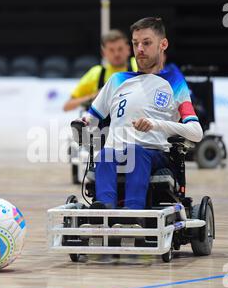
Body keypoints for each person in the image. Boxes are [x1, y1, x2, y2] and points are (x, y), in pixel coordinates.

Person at [76, 17, 203, 210]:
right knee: (105, 154)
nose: (140, 49)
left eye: (146, 43)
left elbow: (196, 132)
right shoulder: (117, 80)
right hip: (116, 151)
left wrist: (156, 124)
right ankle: (103, 212)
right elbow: (92, 120)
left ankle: (133, 212)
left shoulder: (174, 83)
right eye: (136, 44)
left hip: (153, 153)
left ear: (163, 44)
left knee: (135, 152)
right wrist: (83, 123)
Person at [63, 29, 137, 113]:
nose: (116, 54)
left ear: (128, 49)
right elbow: (67, 106)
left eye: (120, 49)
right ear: (104, 53)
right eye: (111, 50)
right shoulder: (96, 73)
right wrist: (94, 96)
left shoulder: (138, 65)